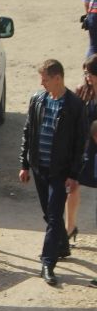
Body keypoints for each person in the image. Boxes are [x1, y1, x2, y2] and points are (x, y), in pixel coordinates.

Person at [19, 59, 86, 286]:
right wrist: (24, 164)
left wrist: (74, 174)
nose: (42, 83)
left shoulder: (75, 106)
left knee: (54, 216)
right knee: (49, 214)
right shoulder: (38, 100)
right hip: (39, 168)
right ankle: (63, 245)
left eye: (45, 79)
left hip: (60, 172)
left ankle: (48, 263)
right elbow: (28, 131)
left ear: (58, 78)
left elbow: (80, 143)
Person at [64, 55, 97, 244]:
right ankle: (70, 227)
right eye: (85, 73)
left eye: (90, 74)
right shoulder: (83, 92)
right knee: (73, 185)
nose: (87, 77)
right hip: (85, 148)